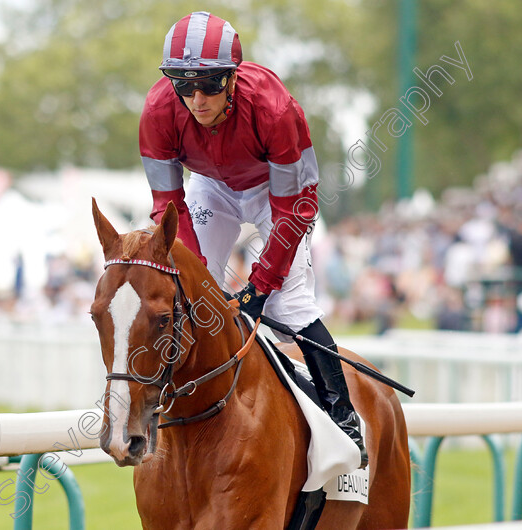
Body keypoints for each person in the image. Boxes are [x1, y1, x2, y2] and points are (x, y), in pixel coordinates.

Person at [139, 11, 367, 468]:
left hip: (277, 195)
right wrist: (199, 275)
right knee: (190, 287)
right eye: (184, 86)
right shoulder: (157, 112)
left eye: (209, 84)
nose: (196, 99)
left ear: (233, 76)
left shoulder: (274, 108)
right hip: (210, 186)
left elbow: (292, 211)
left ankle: (344, 422)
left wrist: (260, 287)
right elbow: (168, 209)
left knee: (287, 305)